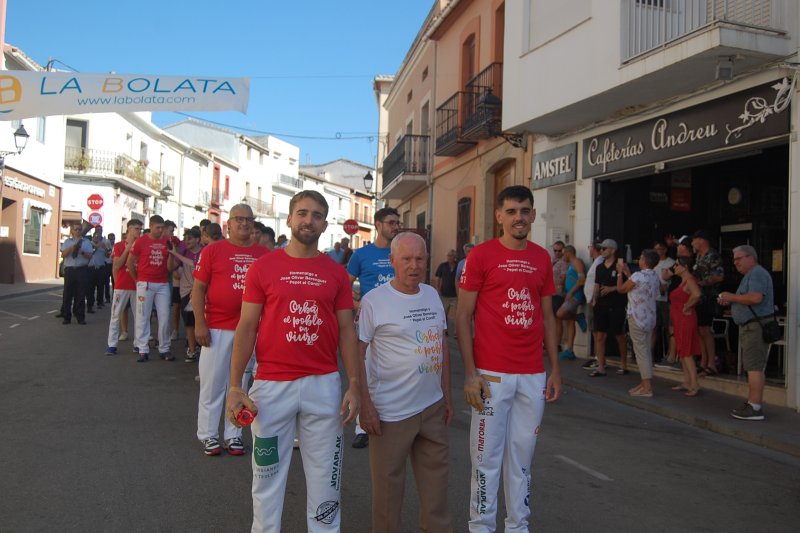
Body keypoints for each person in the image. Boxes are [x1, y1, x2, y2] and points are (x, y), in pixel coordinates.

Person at [225, 190, 360, 531]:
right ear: (288, 219)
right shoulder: (263, 267)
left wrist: (355, 384)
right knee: (266, 478)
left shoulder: (336, 273)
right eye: (302, 213)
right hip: (271, 388)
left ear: (324, 224)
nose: (308, 220)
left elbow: (347, 331)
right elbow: (247, 327)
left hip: (323, 385)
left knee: (326, 479)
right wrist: (234, 386)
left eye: (316, 215)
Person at [456, 185, 561, 532]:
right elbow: (463, 315)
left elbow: (548, 317)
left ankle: (518, 526)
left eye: (525, 210)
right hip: (491, 375)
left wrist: (555, 370)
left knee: (522, 460)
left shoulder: (542, 258)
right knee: (486, 459)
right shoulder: (482, 256)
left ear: (532, 215)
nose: (519, 217)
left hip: (532, 376)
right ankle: (481, 527)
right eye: (512, 211)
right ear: (499, 216)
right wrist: (471, 374)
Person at [357, 232, 453, 532]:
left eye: (420, 258)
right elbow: (356, 355)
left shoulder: (432, 295)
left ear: (427, 259)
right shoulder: (375, 301)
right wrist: (366, 406)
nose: (414, 266)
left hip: (432, 408)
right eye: (407, 259)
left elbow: (442, 346)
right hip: (390, 413)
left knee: (437, 489)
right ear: (393, 261)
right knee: (388, 493)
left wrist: (447, 396)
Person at [192, 205, 267, 456]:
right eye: (238, 219)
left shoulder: (264, 255)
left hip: (249, 330)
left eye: (248, 220)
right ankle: (208, 435)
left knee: (240, 384)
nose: (244, 224)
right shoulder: (213, 251)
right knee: (213, 385)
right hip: (217, 327)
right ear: (229, 224)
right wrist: (200, 323)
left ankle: (234, 434)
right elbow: (198, 289)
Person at [346, 207, 400, 449]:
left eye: (397, 223)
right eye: (391, 222)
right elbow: (344, 286)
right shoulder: (361, 254)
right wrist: (359, 304)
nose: (395, 226)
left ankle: (394, 418)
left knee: (395, 369)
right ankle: (362, 426)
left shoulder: (401, 251)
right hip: (369, 321)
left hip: (399, 321)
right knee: (366, 368)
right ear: (378, 225)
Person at [718, 245, 774, 421]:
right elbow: (748, 299)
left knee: (754, 367)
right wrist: (730, 301)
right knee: (752, 366)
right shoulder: (752, 275)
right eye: (734, 260)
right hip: (750, 326)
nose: (735, 263)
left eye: (739, 258)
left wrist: (731, 297)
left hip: (755, 327)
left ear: (751, 257)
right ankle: (752, 403)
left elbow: (756, 298)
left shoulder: (757, 273)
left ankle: (755, 407)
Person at [127, 215, 173, 362]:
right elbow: (130, 262)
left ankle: (164, 348)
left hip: (162, 283)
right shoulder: (141, 241)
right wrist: (137, 280)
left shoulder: (167, 241)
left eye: (162, 228)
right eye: (158, 228)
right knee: (142, 316)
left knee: (165, 316)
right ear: (151, 226)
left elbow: (171, 263)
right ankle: (142, 348)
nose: (161, 231)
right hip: (145, 283)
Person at [616, 249, 661, 397]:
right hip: (649, 316)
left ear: (645, 261)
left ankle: (647, 387)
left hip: (636, 316)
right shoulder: (654, 276)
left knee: (641, 352)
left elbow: (621, 289)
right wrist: (628, 274)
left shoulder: (638, 276)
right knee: (646, 350)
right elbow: (638, 286)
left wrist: (619, 274)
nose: (639, 260)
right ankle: (644, 383)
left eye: (641, 258)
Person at [589, 239, 629, 377]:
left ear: (612, 250)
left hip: (616, 304)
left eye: (604, 248)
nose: (601, 251)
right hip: (601, 305)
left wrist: (612, 288)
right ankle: (601, 366)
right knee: (600, 335)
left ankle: (624, 364)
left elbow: (629, 282)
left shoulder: (620, 265)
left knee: (619, 335)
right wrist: (594, 299)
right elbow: (596, 284)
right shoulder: (599, 267)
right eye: (600, 249)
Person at [105, 220, 143, 355]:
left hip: (138, 286)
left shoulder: (142, 245)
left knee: (139, 316)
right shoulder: (119, 245)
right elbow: (117, 265)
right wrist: (129, 248)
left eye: (140, 229)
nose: (139, 231)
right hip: (122, 285)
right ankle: (112, 345)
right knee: (115, 315)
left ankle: (138, 344)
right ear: (129, 229)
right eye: (137, 229)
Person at [691, 230, 724, 376]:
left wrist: (703, 282)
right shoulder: (698, 256)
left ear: (702, 240)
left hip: (709, 297)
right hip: (698, 298)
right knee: (699, 330)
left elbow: (719, 276)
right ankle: (703, 361)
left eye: (694, 240)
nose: (692, 244)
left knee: (706, 330)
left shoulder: (713, 255)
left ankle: (711, 363)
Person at [168, 227, 203, 363]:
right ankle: (192, 349)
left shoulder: (204, 252)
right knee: (189, 322)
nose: (186, 241)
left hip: (200, 291)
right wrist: (172, 253)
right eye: (185, 238)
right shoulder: (182, 251)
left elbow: (196, 264)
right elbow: (171, 268)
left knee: (201, 320)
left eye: (189, 238)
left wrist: (177, 254)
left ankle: (200, 346)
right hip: (185, 291)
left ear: (197, 239)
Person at [668, 257, 702, 396]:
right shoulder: (683, 281)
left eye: (676, 265)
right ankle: (687, 381)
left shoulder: (689, 280)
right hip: (679, 319)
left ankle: (694, 384)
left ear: (685, 266)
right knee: (682, 350)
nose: (674, 267)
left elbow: (697, 294)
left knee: (687, 351)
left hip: (685, 319)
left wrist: (687, 306)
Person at [556, 245, 587, 360]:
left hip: (575, 296)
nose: (563, 256)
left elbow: (582, 279)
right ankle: (570, 350)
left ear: (568, 253)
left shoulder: (577, 262)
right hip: (569, 295)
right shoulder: (570, 265)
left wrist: (571, 292)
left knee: (560, 314)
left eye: (564, 254)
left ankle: (578, 317)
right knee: (570, 322)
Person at [59, 225, 93, 325]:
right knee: (67, 295)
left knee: (81, 294)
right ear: (72, 231)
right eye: (76, 229)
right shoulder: (67, 242)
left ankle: (80, 317)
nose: (78, 231)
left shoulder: (86, 242)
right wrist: (71, 248)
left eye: (79, 229)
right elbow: (63, 254)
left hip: (81, 269)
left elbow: (90, 256)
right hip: (70, 270)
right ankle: (66, 317)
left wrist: (81, 252)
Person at [652, 240, 675, 363]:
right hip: (653, 299)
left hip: (666, 299)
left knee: (668, 327)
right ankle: (650, 354)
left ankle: (670, 354)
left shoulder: (670, 262)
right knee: (653, 327)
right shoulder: (652, 263)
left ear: (665, 249)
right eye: (655, 249)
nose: (657, 252)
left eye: (659, 249)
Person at [581, 241, 604, 368]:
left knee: (596, 330)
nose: (589, 250)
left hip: (593, 300)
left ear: (594, 248)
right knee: (593, 330)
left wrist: (595, 298)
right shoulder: (596, 262)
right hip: (590, 299)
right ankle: (597, 356)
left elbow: (597, 281)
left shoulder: (599, 262)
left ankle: (598, 358)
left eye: (590, 247)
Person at [433, 249, 458, 337]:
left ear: (455, 257)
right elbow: (438, 278)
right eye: (448, 256)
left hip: (455, 295)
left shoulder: (458, 265)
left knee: (456, 315)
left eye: (451, 256)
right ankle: (445, 330)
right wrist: (438, 289)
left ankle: (456, 331)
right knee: (443, 313)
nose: (449, 257)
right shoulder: (442, 266)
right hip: (444, 294)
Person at [87, 228, 110, 313]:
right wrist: (97, 246)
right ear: (93, 237)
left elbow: (108, 256)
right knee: (90, 288)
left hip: (101, 267)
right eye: (96, 236)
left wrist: (105, 249)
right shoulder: (89, 244)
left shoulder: (103, 244)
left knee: (101, 286)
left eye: (99, 237)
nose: (97, 238)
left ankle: (100, 302)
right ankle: (90, 305)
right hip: (91, 268)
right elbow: (91, 253)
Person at [551, 240, 568, 353]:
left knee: (557, 319)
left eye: (559, 250)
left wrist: (552, 283)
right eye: (555, 250)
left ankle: (557, 344)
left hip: (558, 293)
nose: (557, 252)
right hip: (550, 293)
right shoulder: (553, 261)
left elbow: (563, 279)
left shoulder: (563, 262)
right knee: (550, 319)